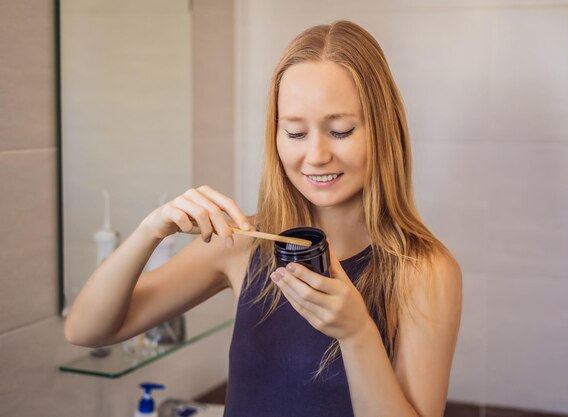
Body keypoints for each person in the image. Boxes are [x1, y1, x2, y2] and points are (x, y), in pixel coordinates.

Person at [65, 19, 462, 417]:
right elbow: (86, 330)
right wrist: (150, 230)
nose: (316, 155)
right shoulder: (242, 244)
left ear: (383, 129)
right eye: (294, 133)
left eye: (340, 131)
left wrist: (357, 334)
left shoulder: (423, 271)